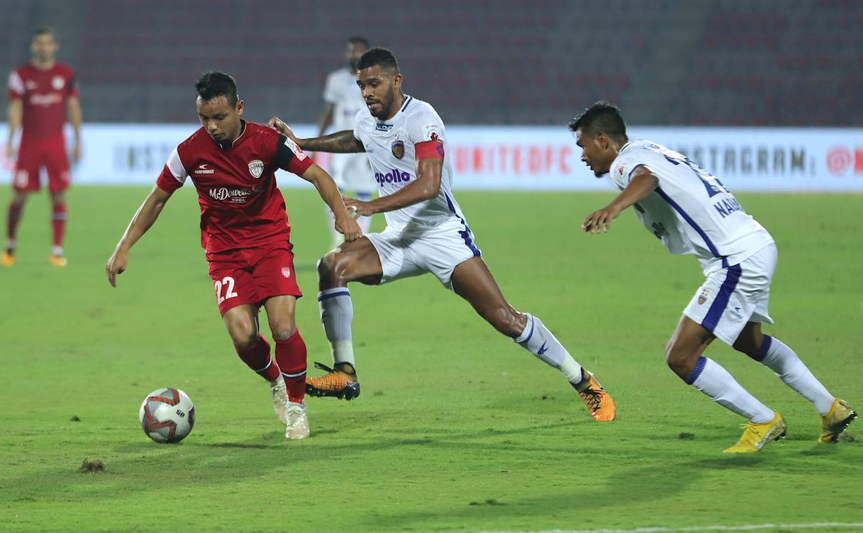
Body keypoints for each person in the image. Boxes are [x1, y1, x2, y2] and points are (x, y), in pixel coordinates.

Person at [268, 48, 616, 422]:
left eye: (374, 83)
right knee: (331, 266)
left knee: (504, 318)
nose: (367, 92)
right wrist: (304, 143)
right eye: (361, 85)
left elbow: (430, 184)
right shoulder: (366, 119)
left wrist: (372, 206)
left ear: (396, 81)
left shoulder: (422, 118)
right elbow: (356, 139)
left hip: (441, 235)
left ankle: (582, 380)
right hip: (400, 236)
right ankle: (345, 372)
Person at [574, 101, 856, 452]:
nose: (582, 156)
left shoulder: (625, 164)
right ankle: (830, 408)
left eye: (582, 145)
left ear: (602, 140)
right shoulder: (649, 148)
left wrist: (613, 208)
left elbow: (647, 178)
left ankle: (762, 420)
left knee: (681, 356)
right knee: (749, 341)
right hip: (754, 243)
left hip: (735, 259)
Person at [106, 72, 361, 440]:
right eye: (204, 118)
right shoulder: (189, 151)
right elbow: (157, 198)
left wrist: (340, 215)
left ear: (239, 108)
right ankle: (275, 380)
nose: (211, 126)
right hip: (224, 253)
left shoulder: (267, 142)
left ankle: (296, 407)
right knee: (243, 336)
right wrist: (123, 247)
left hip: (270, 243)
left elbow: (318, 175)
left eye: (219, 117)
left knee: (284, 326)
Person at [3, 27, 82, 267]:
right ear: (33, 46)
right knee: (19, 196)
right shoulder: (21, 75)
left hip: (56, 142)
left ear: (54, 46)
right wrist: (10, 139)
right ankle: (9, 246)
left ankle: (57, 250)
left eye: (47, 43)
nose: (43, 47)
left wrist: (78, 139)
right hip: (30, 142)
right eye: (39, 43)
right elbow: (16, 109)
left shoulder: (66, 74)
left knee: (58, 193)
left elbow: (73, 107)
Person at [315, 36, 376, 249]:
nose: (354, 55)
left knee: (363, 191)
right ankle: (337, 239)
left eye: (359, 51)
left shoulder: (375, 80)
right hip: (340, 145)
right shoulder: (336, 80)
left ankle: (359, 240)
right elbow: (329, 112)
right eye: (351, 51)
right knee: (333, 189)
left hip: (365, 146)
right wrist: (317, 140)